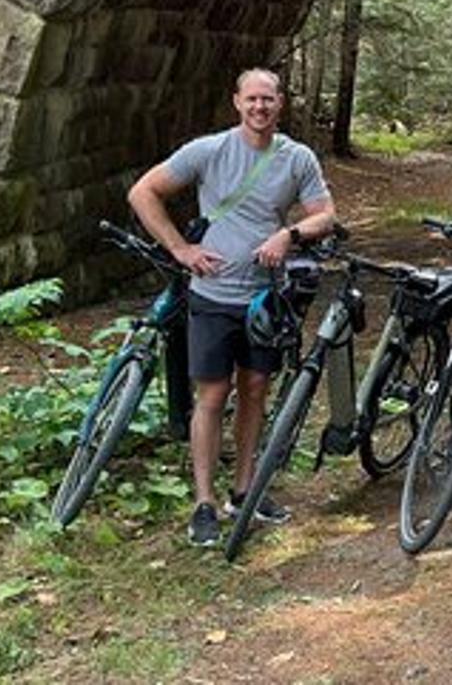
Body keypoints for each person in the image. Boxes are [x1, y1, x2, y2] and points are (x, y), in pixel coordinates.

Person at [128, 68, 336, 547]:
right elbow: (143, 192)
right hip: (213, 296)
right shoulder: (209, 150)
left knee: (256, 389)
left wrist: (290, 234)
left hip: (264, 298)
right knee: (213, 396)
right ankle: (204, 502)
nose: (260, 107)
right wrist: (179, 248)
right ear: (237, 102)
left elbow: (325, 215)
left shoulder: (296, 158)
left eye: (269, 99)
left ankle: (244, 490)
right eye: (252, 99)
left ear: (280, 104)